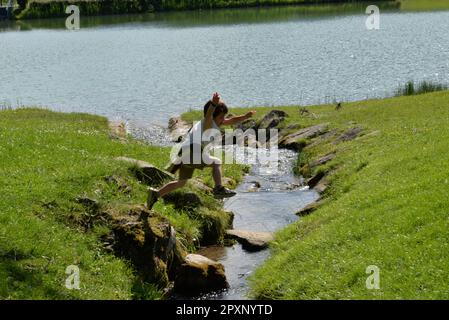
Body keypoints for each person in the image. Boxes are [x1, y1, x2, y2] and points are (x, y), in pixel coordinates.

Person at [146, 92, 256, 209]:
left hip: (186, 151)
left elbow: (231, 120)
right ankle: (218, 188)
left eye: (224, 116)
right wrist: (213, 104)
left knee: (181, 182)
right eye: (221, 117)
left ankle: (155, 194)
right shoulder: (207, 123)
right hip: (194, 150)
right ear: (213, 116)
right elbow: (209, 115)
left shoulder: (215, 121)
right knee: (216, 162)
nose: (223, 120)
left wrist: (245, 116)